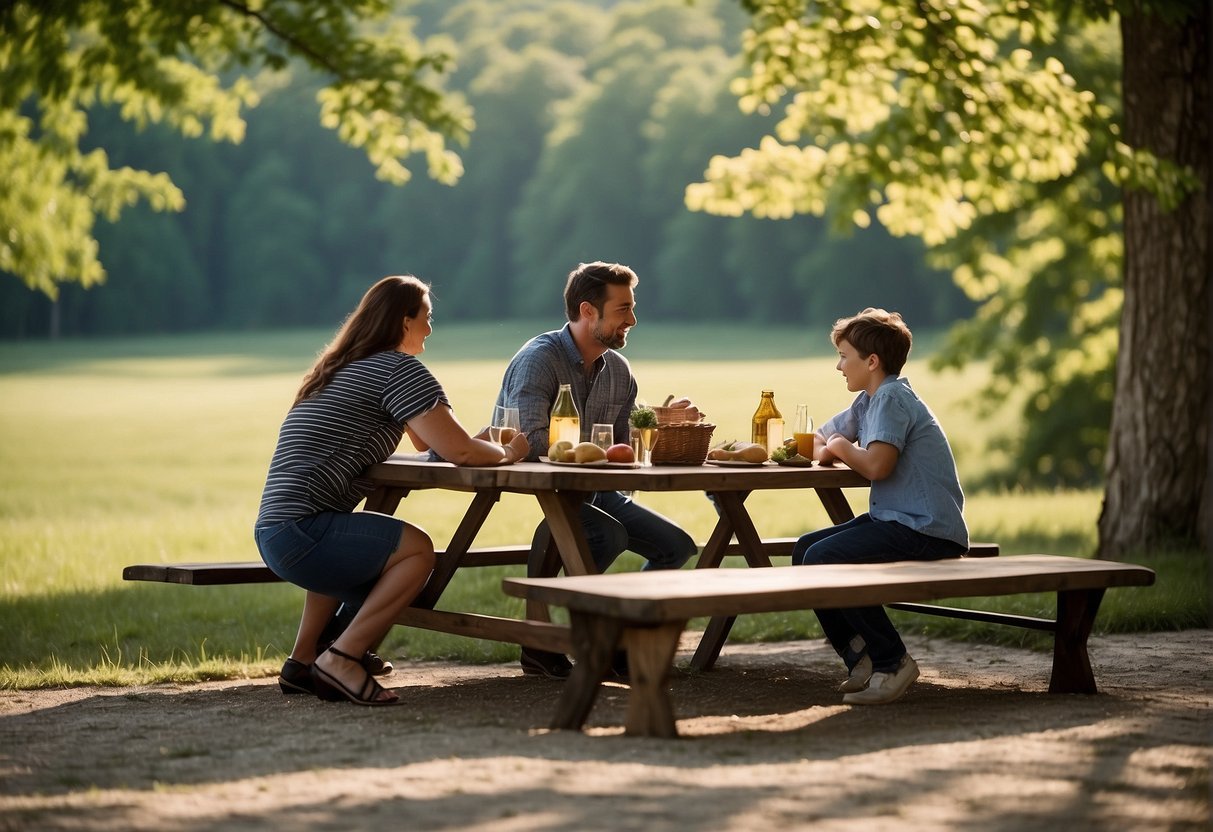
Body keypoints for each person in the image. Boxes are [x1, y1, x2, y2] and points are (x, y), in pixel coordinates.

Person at [255, 275, 529, 706]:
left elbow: (425, 440)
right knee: (417, 549)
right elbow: (456, 449)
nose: (430, 329)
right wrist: (510, 452)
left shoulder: (342, 368)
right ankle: (343, 657)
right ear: (404, 322)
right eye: (426, 317)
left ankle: (303, 660)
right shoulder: (397, 368)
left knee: (349, 530)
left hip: (277, 533)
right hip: (304, 536)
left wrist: (479, 443)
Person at [495, 261, 699, 679]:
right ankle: (540, 638)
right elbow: (530, 441)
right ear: (589, 311)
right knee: (606, 532)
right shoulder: (539, 360)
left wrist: (661, 424)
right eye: (623, 309)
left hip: (597, 491)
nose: (633, 320)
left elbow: (624, 448)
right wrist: (596, 454)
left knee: (675, 546)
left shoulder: (620, 373)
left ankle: (618, 640)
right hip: (546, 487)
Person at [793, 307, 968, 705]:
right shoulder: (868, 401)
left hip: (926, 528)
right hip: (898, 520)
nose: (839, 366)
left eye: (844, 356)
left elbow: (876, 465)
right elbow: (818, 438)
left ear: (871, 361)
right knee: (806, 549)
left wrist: (839, 447)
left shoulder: (891, 398)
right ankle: (861, 657)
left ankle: (892, 661)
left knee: (824, 558)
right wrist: (832, 445)